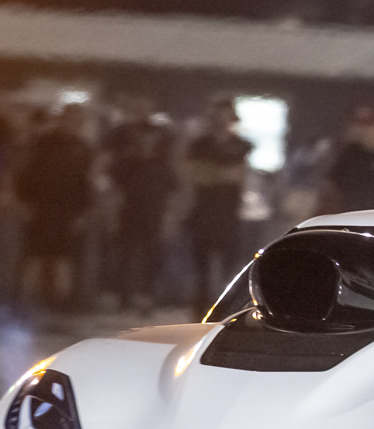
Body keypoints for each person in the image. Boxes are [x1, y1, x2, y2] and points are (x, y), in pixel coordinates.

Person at [15, 103, 94, 311]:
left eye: (77, 120)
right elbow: (26, 174)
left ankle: (60, 304)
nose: (72, 124)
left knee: (64, 258)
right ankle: (26, 302)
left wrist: (82, 213)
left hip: (69, 211)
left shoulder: (84, 149)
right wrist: (24, 202)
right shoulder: (43, 143)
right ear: (61, 120)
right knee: (35, 256)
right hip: (40, 207)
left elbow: (86, 183)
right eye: (69, 119)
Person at [103, 94, 176, 312]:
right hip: (128, 210)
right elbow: (111, 182)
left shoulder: (161, 167)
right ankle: (124, 296)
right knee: (126, 253)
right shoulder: (125, 163)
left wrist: (169, 214)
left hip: (153, 212)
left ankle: (147, 295)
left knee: (151, 255)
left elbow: (172, 188)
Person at [184, 97, 253, 318]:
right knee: (202, 266)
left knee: (230, 267)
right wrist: (224, 175)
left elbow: (241, 176)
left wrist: (216, 174)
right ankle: (200, 311)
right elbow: (196, 175)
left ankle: (226, 310)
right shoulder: (199, 145)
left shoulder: (240, 145)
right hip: (203, 210)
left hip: (229, 211)